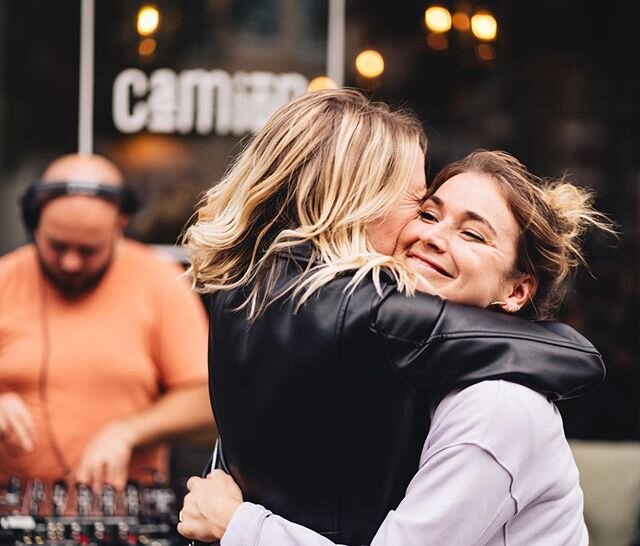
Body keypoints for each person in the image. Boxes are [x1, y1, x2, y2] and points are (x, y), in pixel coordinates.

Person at [177, 90, 605, 545]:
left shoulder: (497, 407)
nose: (432, 236)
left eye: (473, 234)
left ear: (517, 290)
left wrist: (237, 526)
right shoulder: (366, 348)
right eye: (426, 210)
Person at [0, 153, 213, 492]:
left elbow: (205, 401)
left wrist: (127, 431)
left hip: (124, 506)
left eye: (88, 250)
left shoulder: (159, 282)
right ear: (33, 224)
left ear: (119, 227)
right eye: (57, 246)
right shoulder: (4, 281)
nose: (70, 262)